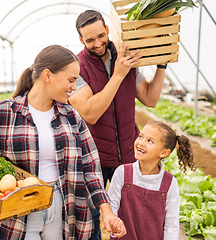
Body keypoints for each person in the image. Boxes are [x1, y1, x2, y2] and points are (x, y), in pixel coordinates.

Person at [0, 45, 126, 240]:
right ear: (47, 76)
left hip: (63, 208)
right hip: (19, 210)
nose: (74, 87)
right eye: (71, 80)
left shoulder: (71, 116)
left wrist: (106, 210)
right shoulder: (2, 113)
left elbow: (90, 167)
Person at [69, 10, 167, 239]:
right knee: (91, 218)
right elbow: (90, 113)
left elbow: (150, 99)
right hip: (94, 158)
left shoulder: (126, 56)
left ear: (108, 30)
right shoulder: (76, 67)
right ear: (81, 40)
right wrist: (118, 75)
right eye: (90, 39)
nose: (98, 43)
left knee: (132, 217)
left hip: (129, 155)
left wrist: (161, 66)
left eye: (101, 35)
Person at [108, 121, 195, 239]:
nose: (141, 143)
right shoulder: (122, 173)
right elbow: (112, 207)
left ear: (164, 153)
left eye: (150, 141)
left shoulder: (170, 183)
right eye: (141, 136)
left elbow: (171, 225)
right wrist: (114, 225)